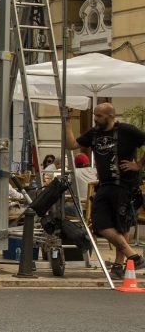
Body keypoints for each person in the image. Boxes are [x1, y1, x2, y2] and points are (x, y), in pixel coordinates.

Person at [64, 100, 145, 276]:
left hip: (124, 186)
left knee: (120, 227)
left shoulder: (126, 131)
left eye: (99, 115)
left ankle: (118, 265)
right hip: (105, 185)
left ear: (110, 116)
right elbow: (71, 145)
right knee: (100, 224)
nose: (95, 119)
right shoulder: (95, 133)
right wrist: (67, 122)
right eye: (94, 115)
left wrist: (138, 165)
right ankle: (133, 256)